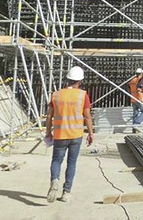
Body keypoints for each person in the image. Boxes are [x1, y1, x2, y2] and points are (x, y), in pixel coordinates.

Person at [45, 66, 93, 203]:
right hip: (76, 135)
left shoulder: (56, 94)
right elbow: (87, 117)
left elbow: (49, 116)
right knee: (71, 162)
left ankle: (55, 180)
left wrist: (48, 132)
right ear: (80, 81)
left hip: (60, 134)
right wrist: (90, 133)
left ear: (68, 79)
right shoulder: (83, 95)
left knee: (56, 160)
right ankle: (66, 192)